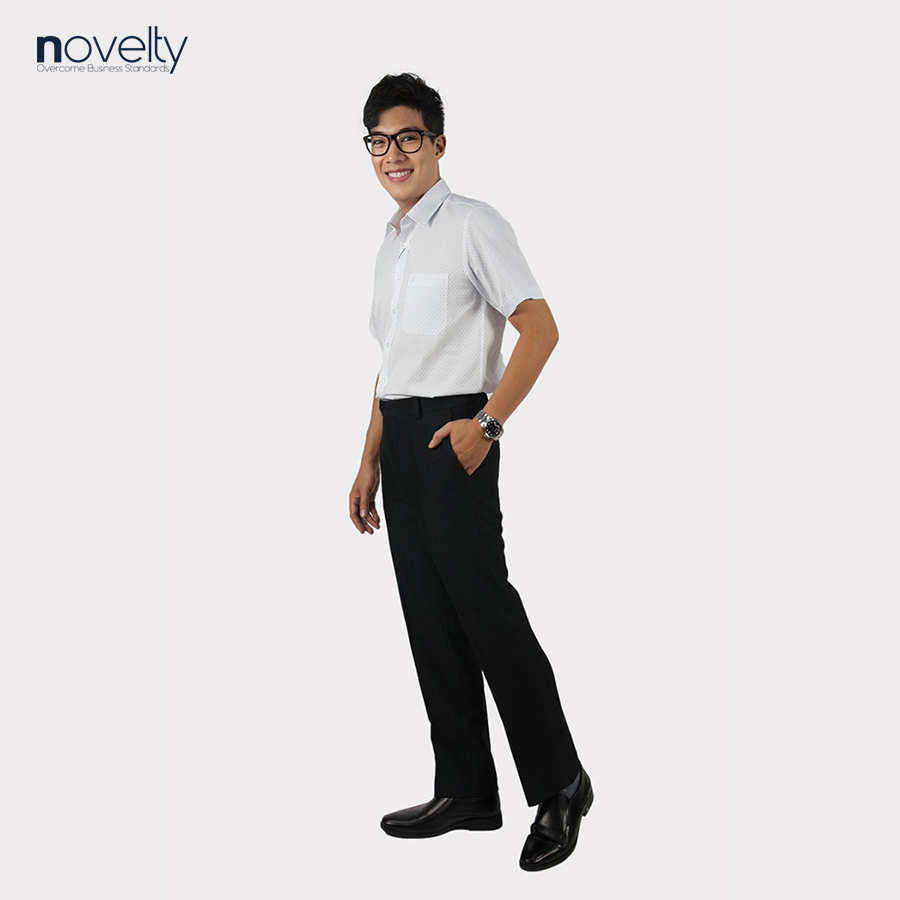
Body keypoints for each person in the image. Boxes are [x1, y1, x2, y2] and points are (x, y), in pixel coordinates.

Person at [348, 72, 592, 872]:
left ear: (438, 143)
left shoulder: (472, 224)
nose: (393, 154)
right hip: (401, 439)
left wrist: (488, 424)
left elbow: (541, 328)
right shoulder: (391, 243)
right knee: (431, 620)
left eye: (408, 138)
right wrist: (368, 457)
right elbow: (391, 363)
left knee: (488, 615)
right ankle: (466, 790)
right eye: (379, 141)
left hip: (456, 435)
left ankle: (561, 785)